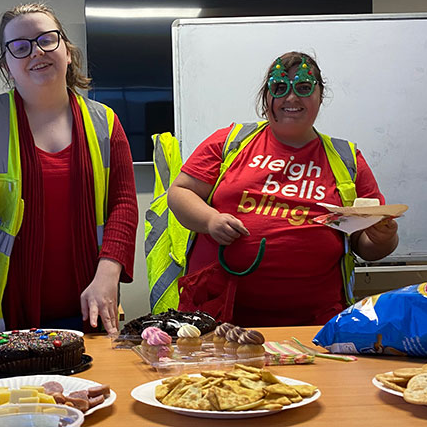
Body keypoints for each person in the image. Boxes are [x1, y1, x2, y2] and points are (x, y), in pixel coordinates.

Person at [0, 2, 138, 340]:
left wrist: (109, 273)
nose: (36, 52)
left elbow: (123, 204)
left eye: (47, 39)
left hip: (88, 311)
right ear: (7, 65)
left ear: (68, 51)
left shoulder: (106, 121)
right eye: (20, 47)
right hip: (8, 315)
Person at [167, 51, 398, 327]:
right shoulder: (230, 141)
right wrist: (210, 220)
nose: (291, 98)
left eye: (303, 88)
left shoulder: (347, 160)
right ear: (267, 98)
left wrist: (383, 238)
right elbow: (180, 193)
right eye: (280, 88)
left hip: (315, 323)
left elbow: (366, 246)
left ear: (320, 97)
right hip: (219, 318)